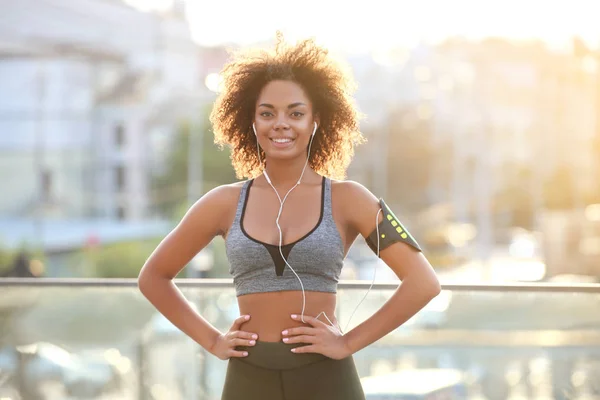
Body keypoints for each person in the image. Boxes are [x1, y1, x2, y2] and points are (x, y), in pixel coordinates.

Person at [138, 34, 441, 400]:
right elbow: (153, 277)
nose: (281, 124)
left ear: (316, 121)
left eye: (296, 113)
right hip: (249, 377)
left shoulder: (349, 199)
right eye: (267, 113)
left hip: (327, 378)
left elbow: (423, 283)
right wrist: (213, 341)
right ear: (250, 121)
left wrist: (348, 343)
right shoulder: (222, 203)